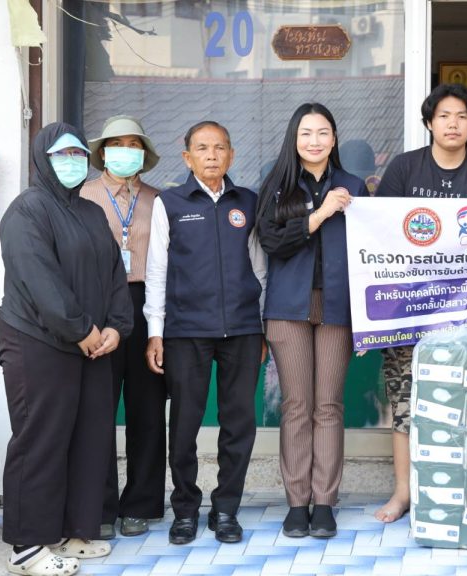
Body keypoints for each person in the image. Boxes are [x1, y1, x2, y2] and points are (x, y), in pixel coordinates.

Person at [0, 122, 132, 576]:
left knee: (89, 438)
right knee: (42, 439)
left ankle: (76, 530)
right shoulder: (27, 210)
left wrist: (115, 327)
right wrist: (79, 329)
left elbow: (115, 275)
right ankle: (27, 547)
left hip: (91, 345)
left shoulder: (91, 212)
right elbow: (39, 280)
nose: (73, 162)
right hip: (37, 341)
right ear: (43, 158)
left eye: (78, 154)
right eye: (62, 155)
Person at [373, 83, 467, 522]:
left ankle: (461, 490)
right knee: (405, 403)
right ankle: (403, 493)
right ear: (429, 123)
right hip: (410, 312)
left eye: (462, 117)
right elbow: (382, 232)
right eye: (444, 116)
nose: (453, 124)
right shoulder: (405, 168)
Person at [143, 121, 266, 545]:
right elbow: (156, 269)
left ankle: (226, 508)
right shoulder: (170, 203)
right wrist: (155, 331)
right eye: (202, 148)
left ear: (231, 155)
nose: (212, 155)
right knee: (184, 424)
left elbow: (260, 268)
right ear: (187, 157)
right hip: (186, 331)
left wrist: (261, 325)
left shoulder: (248, 202)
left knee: (239, 423)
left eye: (219, 148)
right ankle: (185, 509)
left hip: (243, 329)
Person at [255, 103, 365, 538]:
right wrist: (319, 215)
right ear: (294, 138)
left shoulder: (354, 187)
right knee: (296, 406)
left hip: (338, 307)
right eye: (306, 133)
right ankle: (297, 503)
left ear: (334, 138)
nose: (315, 141)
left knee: (328, 405)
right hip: (287, 308)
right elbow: (272, 241)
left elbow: (371, 249)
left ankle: (324, 503)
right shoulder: (277, 186)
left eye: (322, 133)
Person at [80, 115, 166, 539]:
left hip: (147, 303)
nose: (126, 151)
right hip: (98, 307)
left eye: (134, 144)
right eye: (118, 144)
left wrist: (159, 324)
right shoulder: (83, 195)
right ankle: (99, 507)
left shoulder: (158, 200)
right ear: (103, 152)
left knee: (147, 410)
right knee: (97, 410)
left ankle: (141, 504)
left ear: (143, 154)